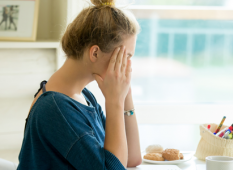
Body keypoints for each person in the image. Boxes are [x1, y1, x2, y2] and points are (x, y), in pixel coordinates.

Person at [17, 0, 142, 169]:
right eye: (125, 56)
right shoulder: (55, 108)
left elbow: (131, 158)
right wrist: (114, 101)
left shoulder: (83, 96)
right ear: (95, 52)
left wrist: (125, 94)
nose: (128, 66)